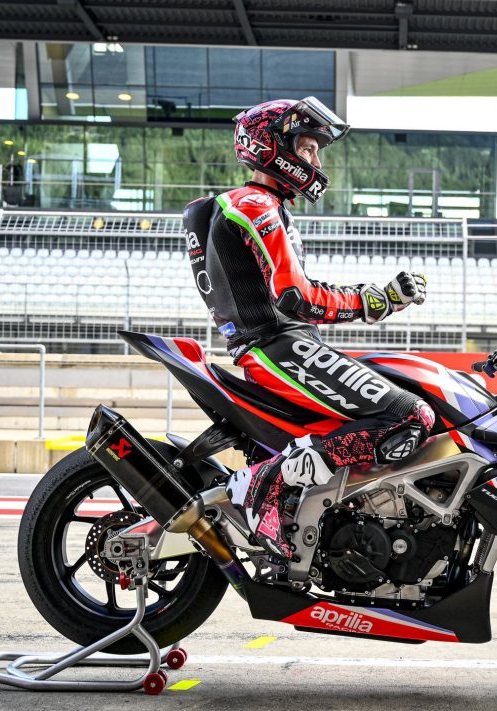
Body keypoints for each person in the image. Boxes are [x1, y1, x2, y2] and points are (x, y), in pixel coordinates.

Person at [181, 97, 435, 559]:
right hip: (277, 348)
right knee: (410, 415)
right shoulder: (254, 203)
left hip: (283, 346)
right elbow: (296, 297)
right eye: (307, 148)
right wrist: (375, 300)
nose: (315, 161)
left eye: (317, 150)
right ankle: (263, 486)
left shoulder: (263, 205)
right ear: (273, 147)